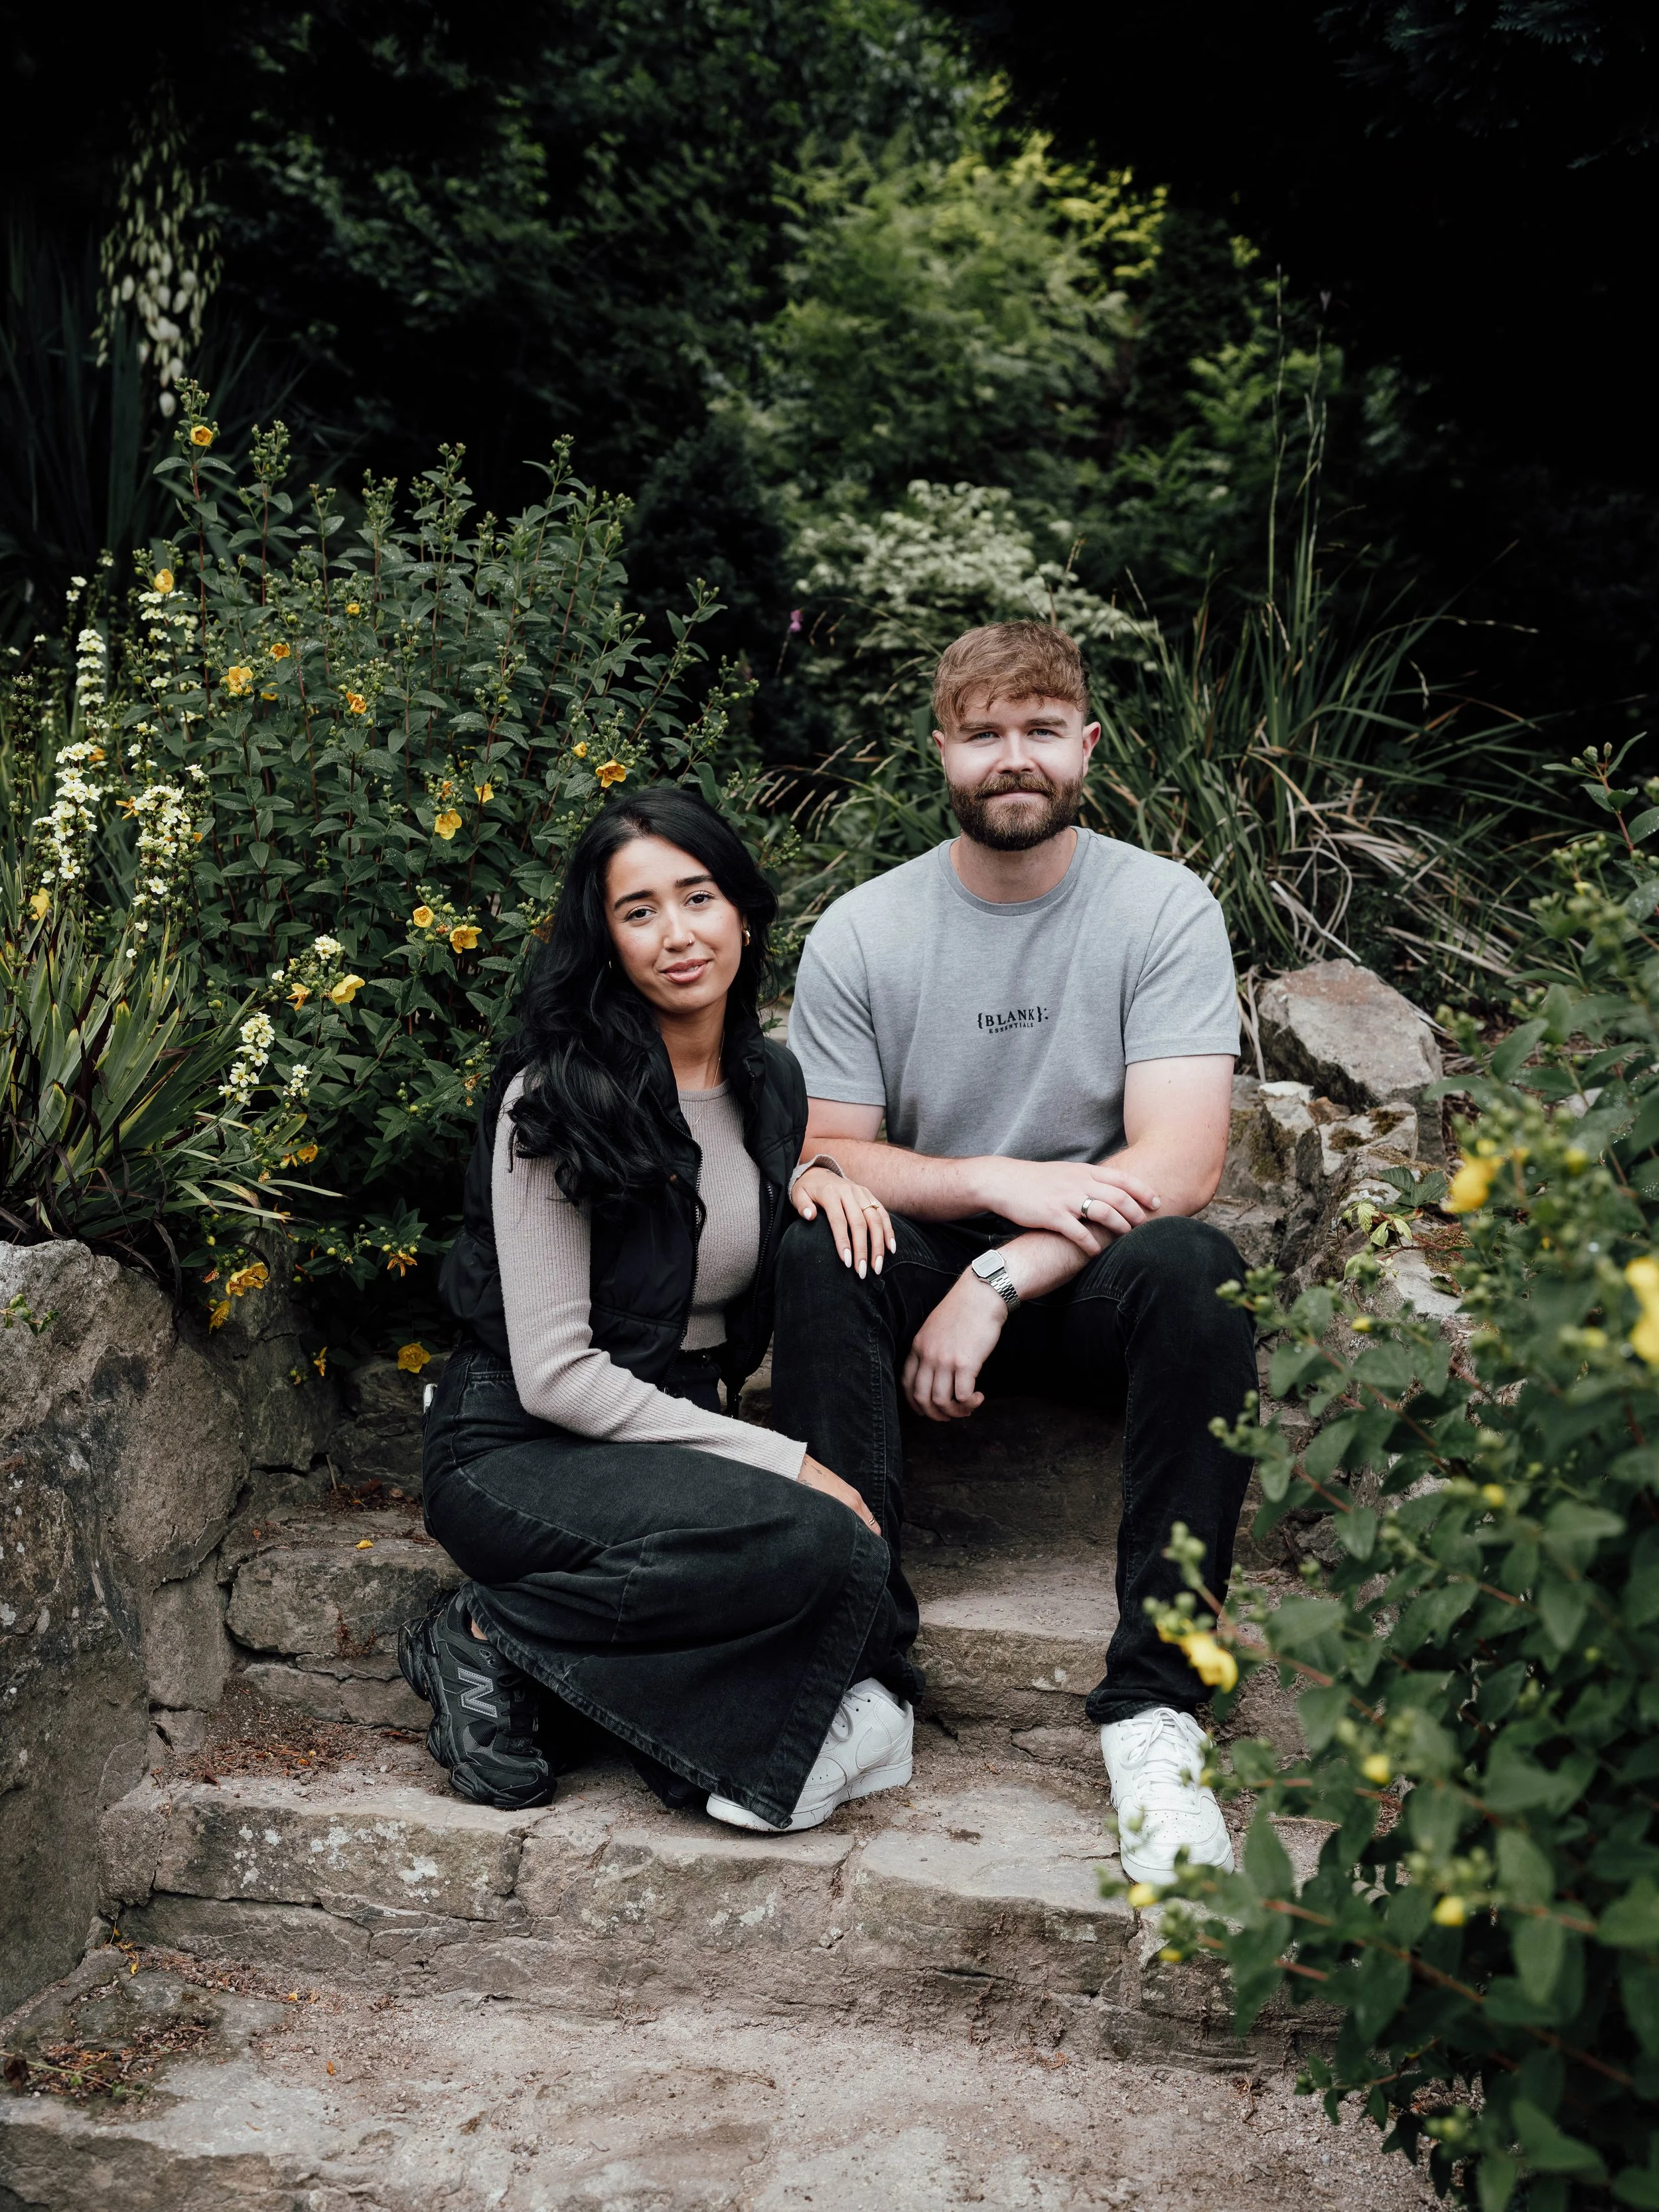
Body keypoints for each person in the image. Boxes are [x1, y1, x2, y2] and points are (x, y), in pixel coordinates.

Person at [772, 621, 1256, 1883]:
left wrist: (1004, 1270)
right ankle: (860, 1685)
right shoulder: (867, 932)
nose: (1014, 758)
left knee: (1201, 1274)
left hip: (1095, 1282)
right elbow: (829, 1154)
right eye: (984, 733)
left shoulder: (1161, 907)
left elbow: (1180, 1165)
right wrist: (987, 1187)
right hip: (925, 1260)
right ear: (942, 754)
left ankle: (1157, 1712)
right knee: (822, 1250)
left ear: (1087, 747)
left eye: (1040, 730)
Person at [404, 786, 914, 1832]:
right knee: (820, 1538)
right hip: (518, 1444)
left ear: (743, 913)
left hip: (660, 1435)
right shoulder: (554, 1098)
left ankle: (560, 1683)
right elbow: (557, 1374)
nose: (678, 935)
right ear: (607, 939)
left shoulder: (770, 1082)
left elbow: (723, 1204)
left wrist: (805, 1177)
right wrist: (787, 1460)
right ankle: (490, 1633)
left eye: (699, 897)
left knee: (857, 1572)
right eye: (640, 911)